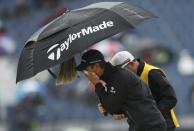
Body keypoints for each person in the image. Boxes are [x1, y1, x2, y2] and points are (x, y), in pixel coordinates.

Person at [76, 49, 167, 131]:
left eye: (86, 69)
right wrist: (108, 107)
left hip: (150, 126)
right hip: (142, 125)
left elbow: (112, 108)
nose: (86, 74)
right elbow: (119, 106)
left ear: (95, 66)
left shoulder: (118, 77)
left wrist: (97, 84)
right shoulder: (112, 76)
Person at [110, 51, 179, 131]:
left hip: (162, 125)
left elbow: (170, 99)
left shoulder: (152, 74)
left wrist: (151, 113)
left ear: (132, 64)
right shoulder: (129, 80)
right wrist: (122, 113)